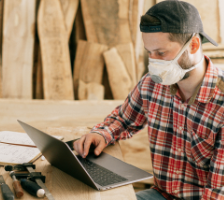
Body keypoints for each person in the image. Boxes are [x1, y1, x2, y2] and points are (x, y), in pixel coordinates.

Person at [73, 1, 224, 199]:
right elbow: (123, 120)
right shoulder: (152, 85)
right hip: (161, 194)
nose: (154, 62)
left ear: (194, 45)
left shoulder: (220, 104)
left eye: (161, 53)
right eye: (149, 53)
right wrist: (102, 134)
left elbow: (217, 194)